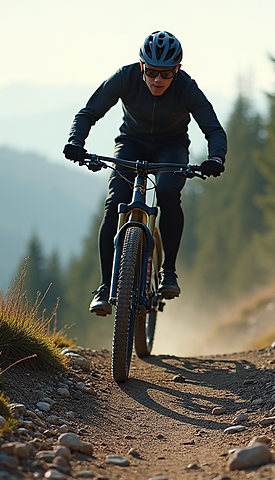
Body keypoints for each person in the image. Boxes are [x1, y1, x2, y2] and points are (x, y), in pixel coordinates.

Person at [63, 30, 227, 315]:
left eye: (166, 74)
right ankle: (105, 287)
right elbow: (87, 113)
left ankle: (169, 272)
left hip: (171, 148)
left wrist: (216, 157)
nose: (157, 80)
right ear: (141, 67)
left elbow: (213, 129)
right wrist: (76, 141)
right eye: (151, 71)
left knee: (167, 193)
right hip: (131, 144)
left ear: (177, 70)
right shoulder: (125, 78)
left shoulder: (187, 88)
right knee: (115, 205)